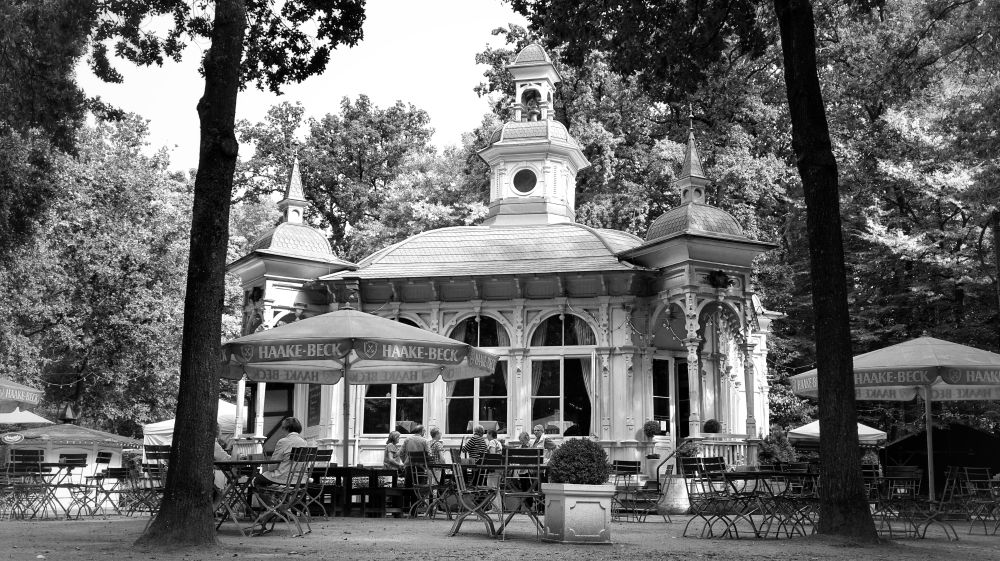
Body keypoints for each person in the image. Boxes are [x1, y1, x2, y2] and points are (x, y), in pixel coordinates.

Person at [255, 417, 307, 486]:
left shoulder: (283, 442)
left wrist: (270, 467)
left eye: (282, 428)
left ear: (286, 428)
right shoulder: (305, 443)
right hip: (301, 479)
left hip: (285, 478)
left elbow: (272, 467)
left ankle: (273, 496)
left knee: (257, 480)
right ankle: (280, 495)